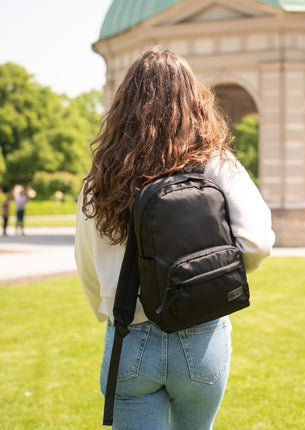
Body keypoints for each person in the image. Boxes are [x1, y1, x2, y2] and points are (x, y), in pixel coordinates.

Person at [74, 47, 275, 430]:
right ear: (193, 100)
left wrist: (110, 309)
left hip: (130, 334)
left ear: (125, 105)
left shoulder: (100, 175)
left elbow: (86, 262)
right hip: (202, 335)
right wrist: (210, 278)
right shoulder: (216, 162)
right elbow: (256, 241)